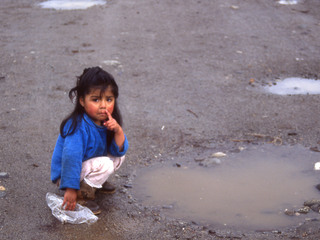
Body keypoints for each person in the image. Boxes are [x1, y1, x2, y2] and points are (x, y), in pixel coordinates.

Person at [50, 67, 129, 214]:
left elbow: (116, 149)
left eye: (109, 99)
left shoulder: (107, 122)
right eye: (96, 99)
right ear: (82, 101)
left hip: (86, 165)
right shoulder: (77, 128)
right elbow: (71, 159)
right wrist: (70, 189)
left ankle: (93, 183)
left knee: (119, 155)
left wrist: (118, 130)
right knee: (105, 164)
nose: (103, 105)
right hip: (67, 173)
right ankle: (81, 195)